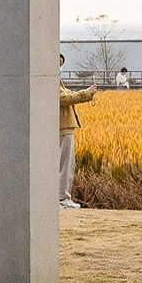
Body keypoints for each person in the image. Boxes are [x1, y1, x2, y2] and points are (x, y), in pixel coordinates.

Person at [58, 54, 97, 208]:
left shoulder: (56, 80)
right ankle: (62, 198)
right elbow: (64, 99)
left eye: (61, 63)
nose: (59, 67)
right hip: (63, 127)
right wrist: (87, 93)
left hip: (64, 126)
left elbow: (66, 95)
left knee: (64, 163)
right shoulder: (50, 80)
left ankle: (62, 197)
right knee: (65, 164)